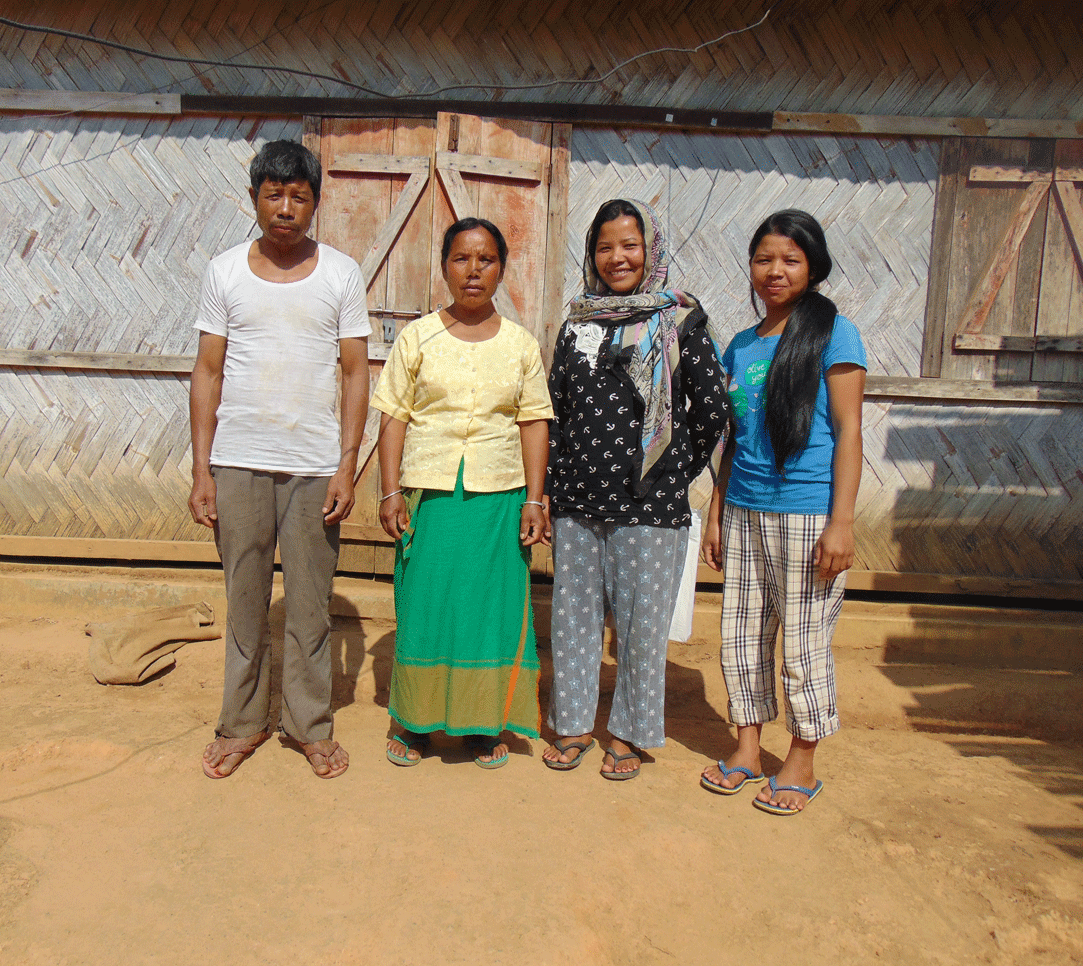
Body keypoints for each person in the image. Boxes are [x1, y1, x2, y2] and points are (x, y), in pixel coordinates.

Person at [188, 139, 370, 780]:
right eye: (274, 195)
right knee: (244, 600)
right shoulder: (225, 272)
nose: (286, 208)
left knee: (310, 604)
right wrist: (200, 469)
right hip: (238, 461)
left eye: (299, 196)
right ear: (255, 198)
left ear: (316, 203)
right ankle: (241, 724)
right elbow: (207, 372)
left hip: (314, 466)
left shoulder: (342, 274)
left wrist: (347, 465)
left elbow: (354, 374)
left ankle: (308, 726)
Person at [542, 198, 730, 780]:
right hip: (577, 498)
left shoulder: (682, 320)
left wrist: (673, 470)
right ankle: (572, 724)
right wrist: (550, 487)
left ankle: (627, 733)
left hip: (649, 505)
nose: (617, 257)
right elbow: (555, 408)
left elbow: (714, 408)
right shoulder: (577, 321)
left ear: (651, 250)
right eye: (605, 247)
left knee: (641, 625)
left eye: (630, 245)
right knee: (572, 618)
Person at [698, 209, 866, 814]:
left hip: (808, 515)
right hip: (743, 508)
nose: (775, 270)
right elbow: (731, 441)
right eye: (764, 258)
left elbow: (850, 432)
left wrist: (840, 523)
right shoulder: (740, 345)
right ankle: (746, 750)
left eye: (790, 259)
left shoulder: (835, 334)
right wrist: (716, 513)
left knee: (801, 643)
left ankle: (801, 761)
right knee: (741, 635)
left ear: (813, 267)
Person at [372, 218, 553, 769]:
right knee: (426, 604)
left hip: (499, 497)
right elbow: (394, 418)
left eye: (486, 259)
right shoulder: (417, 337)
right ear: (444, 266)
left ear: (501, 268)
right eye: (461, 259)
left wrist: (534, 500)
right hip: (432, 491)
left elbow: (534, 422)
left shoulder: (521, 344)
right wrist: (387, 491)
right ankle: (415, 723)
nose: (473, 270)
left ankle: (483, 723)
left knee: (489, 608)